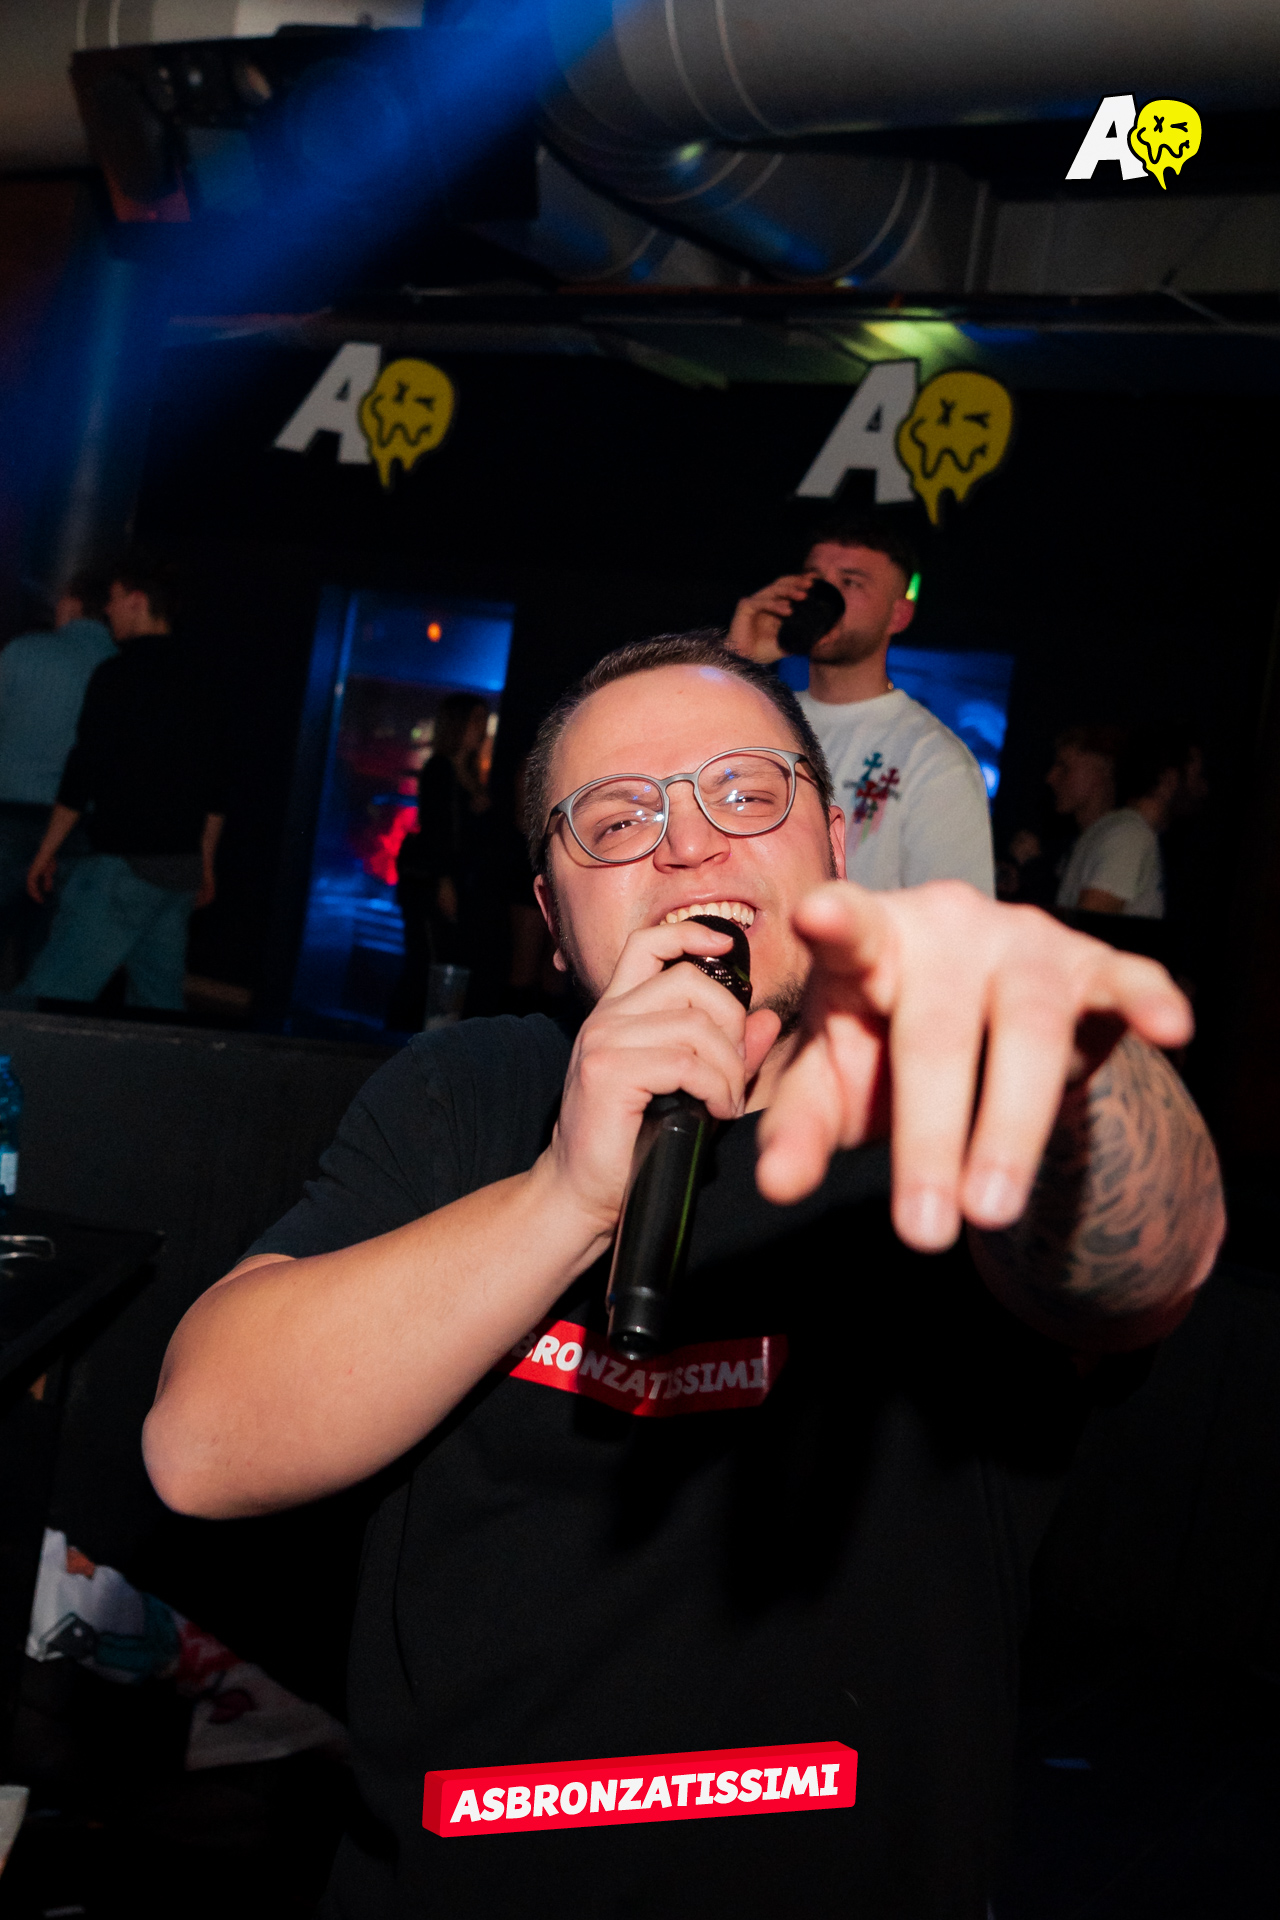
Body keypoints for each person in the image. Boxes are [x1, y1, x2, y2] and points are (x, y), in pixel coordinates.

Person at [143, 635, 1222, 1920]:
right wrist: (564, 1196)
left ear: (834, 846)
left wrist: (1069, 1065)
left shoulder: (941, 1102)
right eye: (615, 821)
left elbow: (1144, 1270)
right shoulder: (467, 1094)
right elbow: (201, 1448)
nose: (689, 845)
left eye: (745, 794)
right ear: (551, 921)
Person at [726, 512, 995, 893]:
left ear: (898, 615)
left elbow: (957, 919)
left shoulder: (933, 759)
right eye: (815, 578)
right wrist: (737, 663)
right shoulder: (763, 718)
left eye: (850, 582)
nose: (825, 595)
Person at [18, 558, 225, 1012]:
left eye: (112, 600)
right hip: (178, 869)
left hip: (123, 864)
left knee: (47, 998)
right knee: (158, 1006)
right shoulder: (206, 678)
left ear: (136, 601)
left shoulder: (117, 674)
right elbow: (216, 785)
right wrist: (205, 863)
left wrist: (46, 850)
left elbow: (83, 771)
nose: (107, 611)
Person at [0, 572, 115, 975]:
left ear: (72, 603)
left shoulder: (24, 650)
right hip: (81, 822)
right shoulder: (117, 665)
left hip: (9, 811)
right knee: (50, 948)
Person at [389, 693, 491, 1030]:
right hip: (433, 881)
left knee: (442, 964)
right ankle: (401, 1039)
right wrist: (444, 881)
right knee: (427, 963)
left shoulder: (470, 773)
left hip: (456, 880)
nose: (481, 728)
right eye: (475, 719)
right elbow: (438, 829)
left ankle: (426, 1037)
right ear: (458, 723)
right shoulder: (439, 768)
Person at [1051, 723, 1168, 919]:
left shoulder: (1126, 835)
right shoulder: (1089, 836)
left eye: (1065, 767)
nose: (1051, 777)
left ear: (1102, 769)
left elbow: (1090, 928)